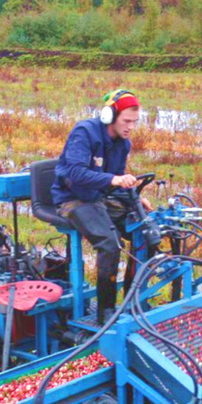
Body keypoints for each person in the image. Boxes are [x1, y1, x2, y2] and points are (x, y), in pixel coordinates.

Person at [51, 89, 145, 323]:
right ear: (109, 115)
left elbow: (118, 175)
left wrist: (133, 197)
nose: (130, 127)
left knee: (143, 230)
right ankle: (105, 311)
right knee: (110, 244)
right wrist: (113, 180)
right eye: (126, 121)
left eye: (134, 122)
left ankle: (134, 299)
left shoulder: (122, 143)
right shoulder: (84, 133)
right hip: (72, 198)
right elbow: (75, 173)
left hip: (100, 197)